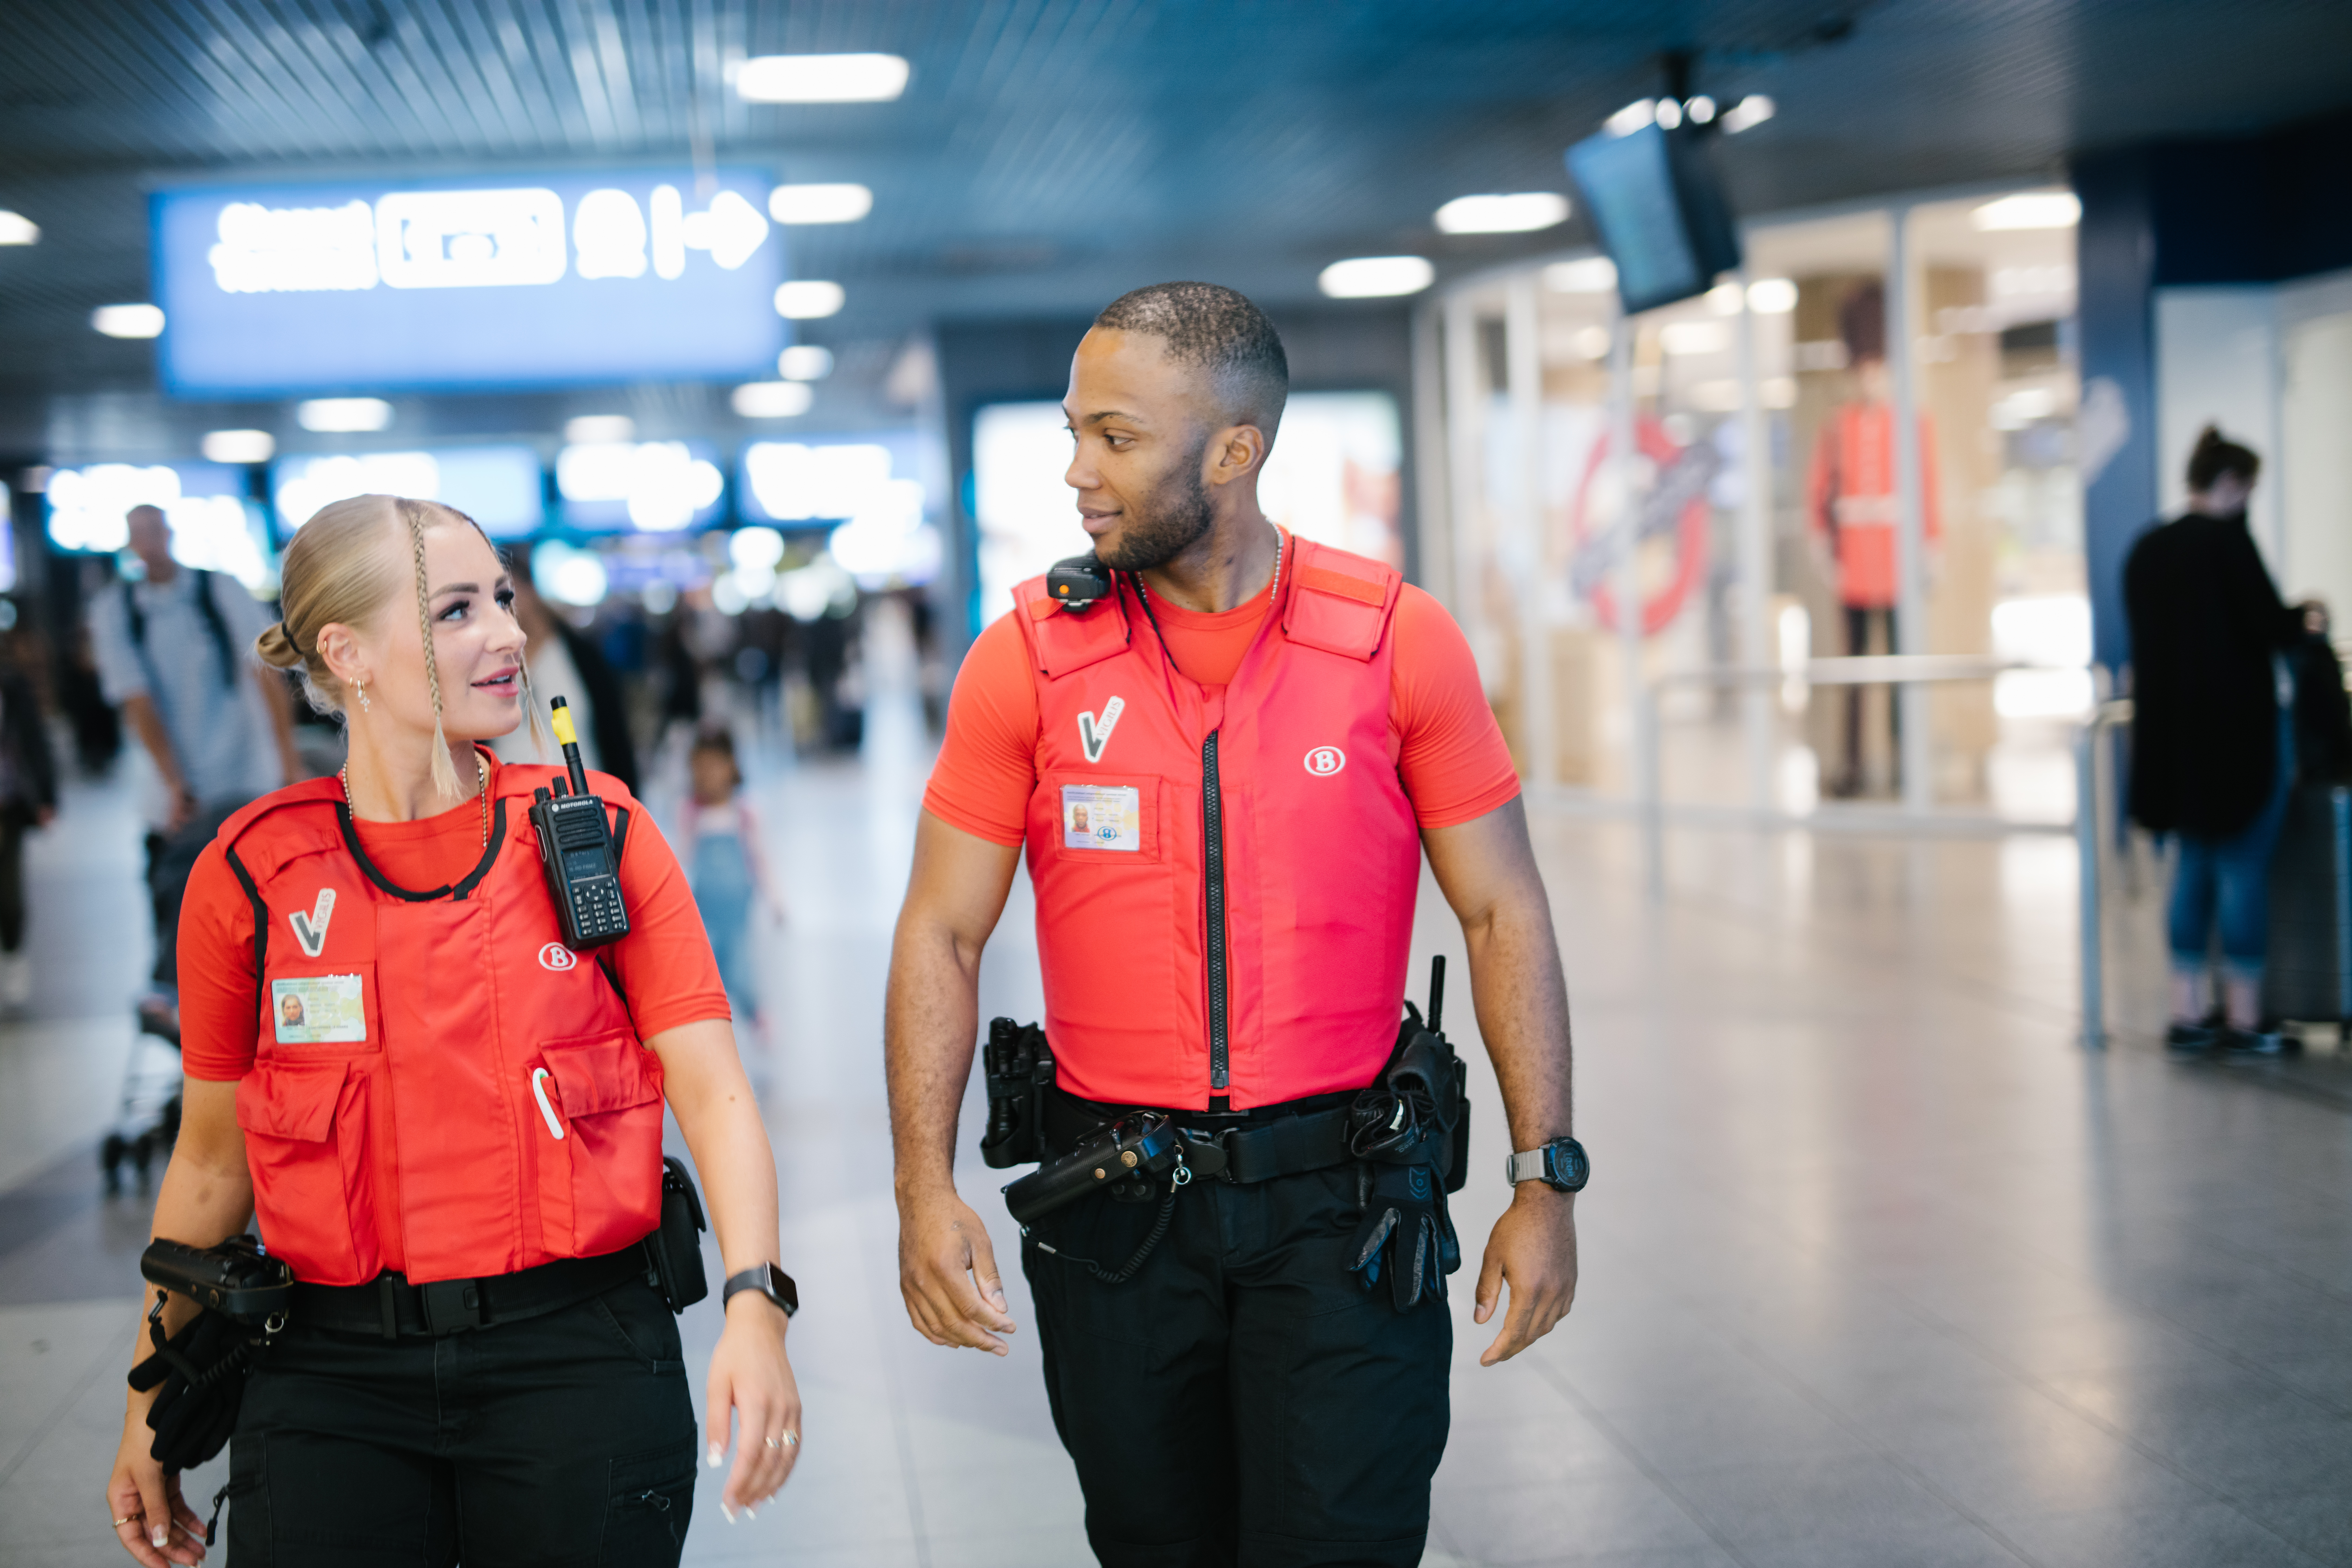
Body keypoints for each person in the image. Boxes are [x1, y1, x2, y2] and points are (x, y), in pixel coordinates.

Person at [885, 282, 1584, 1567]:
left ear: (1233, 450)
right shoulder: (1028, 659)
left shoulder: (1393, 641)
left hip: (1343, 1209)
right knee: (1152, 1542)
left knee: (1343, 1540)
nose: (1076, 473)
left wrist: (1544, 1176)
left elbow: (1501, 908)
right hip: (1116, 1213)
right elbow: (939, 930)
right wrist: (920, 1188)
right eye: (1072, 432)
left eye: (1114, 436)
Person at [106, 495, 802, 1568]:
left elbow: (713, 1092)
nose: (510, 633)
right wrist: (146, 1403)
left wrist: (757, 1306)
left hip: (581, 1361)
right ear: (349, 652)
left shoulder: (600, 836)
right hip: (327, 1379)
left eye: (507, 599)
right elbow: (210, 1158)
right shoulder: (251, 874)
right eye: (458, 610)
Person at [2125, 427, 2312, 1053]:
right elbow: (2271, 622)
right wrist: (2308, 618)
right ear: (2231, 484)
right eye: (2248, 489)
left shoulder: (2147, 549)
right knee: (2242, 869)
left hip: (2172, 747)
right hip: (2239, 740)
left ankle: (2187, 1012)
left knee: (2191, 869)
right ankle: (2244, 1016)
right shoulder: (2228, 544)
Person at [87, 505, 302, 990]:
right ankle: (184, 1004)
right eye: (137, 534)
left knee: (262, 894)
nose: (149, 542)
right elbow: (136, 699)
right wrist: (174, 781)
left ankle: (266, 1000)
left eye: (154, 531)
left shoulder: (219, 589)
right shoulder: (115, 610)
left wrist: (287, 761)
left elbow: (266, 671)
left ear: (169, 534)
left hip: (248, 772)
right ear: (129, 543)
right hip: (175, 792)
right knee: (179, 895)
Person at [1807, 280, 1941, 796]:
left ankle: (1909, 767)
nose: (1870, 378)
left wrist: (1930, 547)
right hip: (1856, 567)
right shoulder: (1837, 426)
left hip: (1897, 563)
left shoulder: (1911, 423)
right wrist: (1825, 550)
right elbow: (1819, 492)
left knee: (1903, 677)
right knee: (1855, 679)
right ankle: (1855, 765)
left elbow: (1925, 487)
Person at [488, 554, 641, 793]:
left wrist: (628, 802)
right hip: (507, 805)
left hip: (584, 797)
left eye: (507, 594)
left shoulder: (581, 657)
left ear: (531, 589)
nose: (503, 607)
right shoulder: (488, 661)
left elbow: (615, 737)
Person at [683, 728, 782, 1039]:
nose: (709, 775)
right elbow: (682, 857)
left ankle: (757, 1014)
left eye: (716, 766)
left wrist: (776, 899)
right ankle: (714, 1029)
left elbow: (760, 858)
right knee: (708, 970)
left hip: (737, 910)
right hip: (705, 906)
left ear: (732, 767)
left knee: (741, 968)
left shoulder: (745, 811)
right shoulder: (691, 812)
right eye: (702, 767)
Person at [0, 625, 60, 1009]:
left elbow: (34, 740)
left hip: (7, 805)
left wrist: (46, 796)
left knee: (9, 894)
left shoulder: (12, 686)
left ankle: (14, 954)